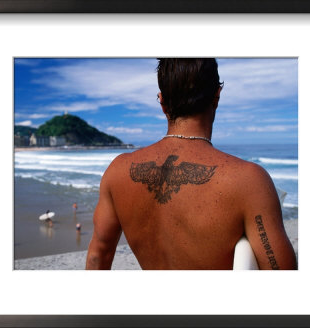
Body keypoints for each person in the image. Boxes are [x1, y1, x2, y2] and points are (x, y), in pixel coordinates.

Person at [86, 58, 297, 270]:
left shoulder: (118, 171)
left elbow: (98, 256)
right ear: (217, 95)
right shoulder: (248, 181)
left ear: (161, 101)